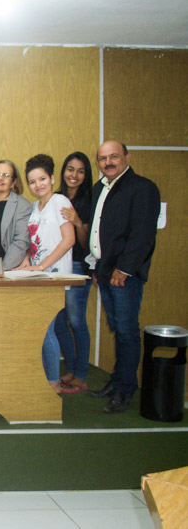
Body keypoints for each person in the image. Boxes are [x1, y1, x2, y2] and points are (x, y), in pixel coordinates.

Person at [87, 141, 160, 413]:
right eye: (103, 158)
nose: (108, 162)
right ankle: (117, 381)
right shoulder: (100, 188)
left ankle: (126, 390)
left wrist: (124, 269)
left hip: (124, 275)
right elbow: (97, 231)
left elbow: (143, 235)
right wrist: (96, 267)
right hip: (105, 272)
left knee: (128, 331)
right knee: (117, 328)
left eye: (114, 156)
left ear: (127, 157)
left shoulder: (143, 188)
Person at [16, 154, 75, 394]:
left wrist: (42, 267)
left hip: (54, 275)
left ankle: (52, 383)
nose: (38, 185)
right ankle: (44, 378)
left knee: (46, 329)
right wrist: (27, 262)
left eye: (42, 179)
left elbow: (68, 240)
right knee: (39, 328)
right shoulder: (32, 208)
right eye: (32, 181)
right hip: (36, 276)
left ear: (51, 178)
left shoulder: (60, 201)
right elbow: (32, 242)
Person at [54, 152, 94, 393]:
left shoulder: (89, 201)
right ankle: (70, 368)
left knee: (77, 322)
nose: (74, 175)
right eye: (70, 169)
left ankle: (81, 374)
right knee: (59, 321)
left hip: (77, 267)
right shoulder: (55, 198)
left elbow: (84, 244)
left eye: (80, 171)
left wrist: (78, 222)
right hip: (56, 267)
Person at [0, 159, 31, 269]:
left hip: (7, 268)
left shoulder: (22, 205)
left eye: (6, 175)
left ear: (13, 182)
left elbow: (21, 241)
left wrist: (2, 269)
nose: (0, 178)